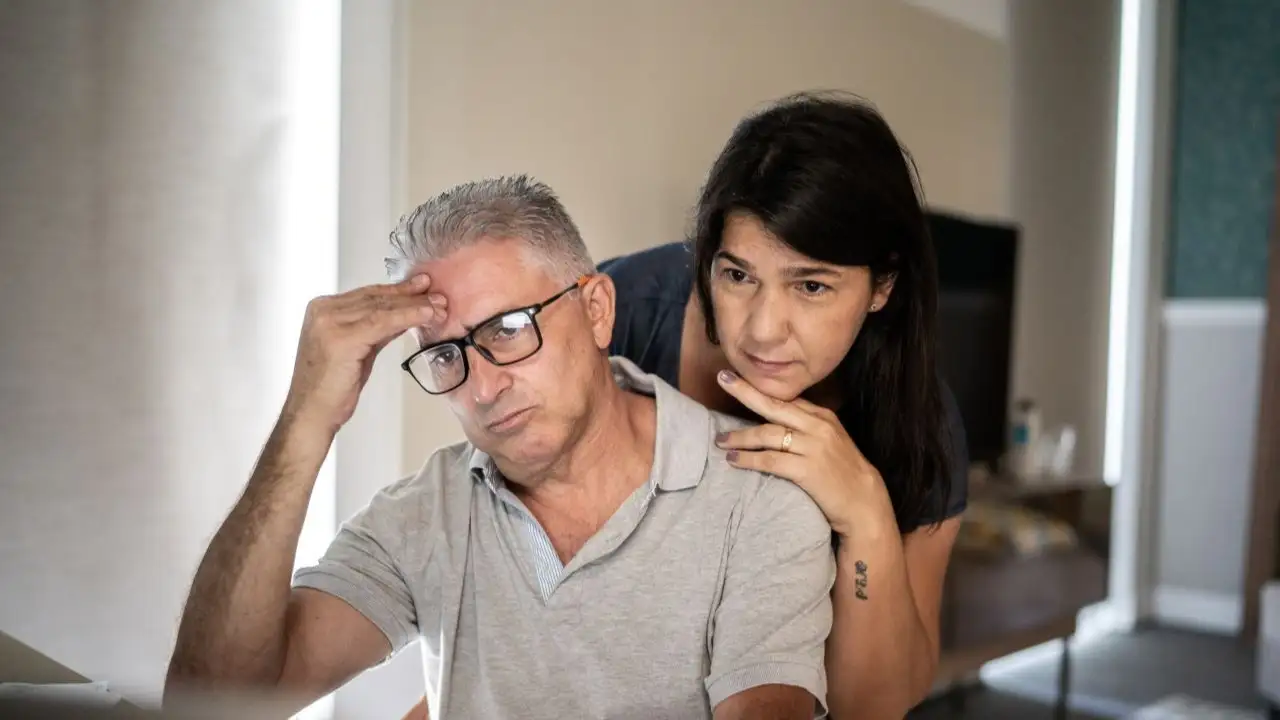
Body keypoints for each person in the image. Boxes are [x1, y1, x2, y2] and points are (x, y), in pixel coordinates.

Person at [164, 175, 836, 720]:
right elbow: (211, 706)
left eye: (511, 329)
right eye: (447, 356)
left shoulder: (757, 492)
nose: (483, 386)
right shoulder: (426, 512)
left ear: (597, 309)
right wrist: (305, 422)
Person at [598, 91, 971, 720]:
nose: (764, 330)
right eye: (737, 276)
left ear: (883, 285)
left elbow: (877, 704)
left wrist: (865, 516)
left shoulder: (921, 419)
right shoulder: (622, 316)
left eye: (812, 285)